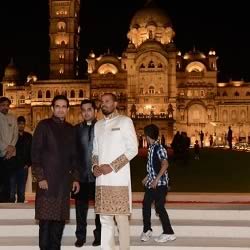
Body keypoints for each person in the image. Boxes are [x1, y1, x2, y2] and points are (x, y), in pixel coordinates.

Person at [31, 95, 80, 250]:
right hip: (47, 182)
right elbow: (35, 153)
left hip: (64, 183)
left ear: (68, 109)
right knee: (45, 223)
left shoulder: (71, 130)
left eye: (64, 106)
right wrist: (40, 177)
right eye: (57, 106)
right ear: (52, 108)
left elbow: (74, 157)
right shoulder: (44, 126)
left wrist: (76, 179)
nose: (60, 109)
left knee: (59, 223)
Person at [92, 93, 138, 250]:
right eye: (102, 102)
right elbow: (95, 151)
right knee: (105, 220)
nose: (103, 104)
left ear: (115, 103)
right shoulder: (97, 125)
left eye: (107, 101)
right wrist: (94, 167)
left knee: (121, 219)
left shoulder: (125, 121)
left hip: (118, 179)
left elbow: (133, 149)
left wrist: (111, 166)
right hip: (102, 181)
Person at [140, 124, 176, 243]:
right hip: (152, 183)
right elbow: (153, 167)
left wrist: (156, 179)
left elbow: (165, 164)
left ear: (148, 136)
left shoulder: (159, 148)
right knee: (146, 204)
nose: (144, 137)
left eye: (145, 135)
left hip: (160, 184)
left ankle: (168, 232)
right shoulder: (151, 148)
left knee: (159, 207)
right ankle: (147, 230)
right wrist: (147, 177)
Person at [73, 99, 101, 247]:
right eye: (83, 110)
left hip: (99, 177)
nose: (86, 112)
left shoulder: (102, 128)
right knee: (80, 210)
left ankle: (99, 236)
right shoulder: (76, 129)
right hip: (81, 176)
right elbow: (74, 155)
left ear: (95, 111)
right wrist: (75, 177)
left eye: (89, 109)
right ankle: (80, 236)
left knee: (100, 209)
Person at [9, 116, 32, 203]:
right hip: (12, 166)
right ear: (16, 124)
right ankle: (10, 214)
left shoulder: (29, 136)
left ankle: (21, 210)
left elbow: (31, 151)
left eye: (22, 124)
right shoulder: (11, 136)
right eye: (19, 124)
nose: (21, 126)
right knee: (11, 190)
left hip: (23, 167)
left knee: (21, 191)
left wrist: (28, 164)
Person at [0, 96, 18, 202]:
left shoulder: (13, 118)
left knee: (8, 180)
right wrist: (6, 147)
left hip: (10, 155)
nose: (5, 107)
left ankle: (7, 201)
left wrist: (11, 148)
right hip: (1, 153)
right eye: (3, 105)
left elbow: (15, 135)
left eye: (7, 105)